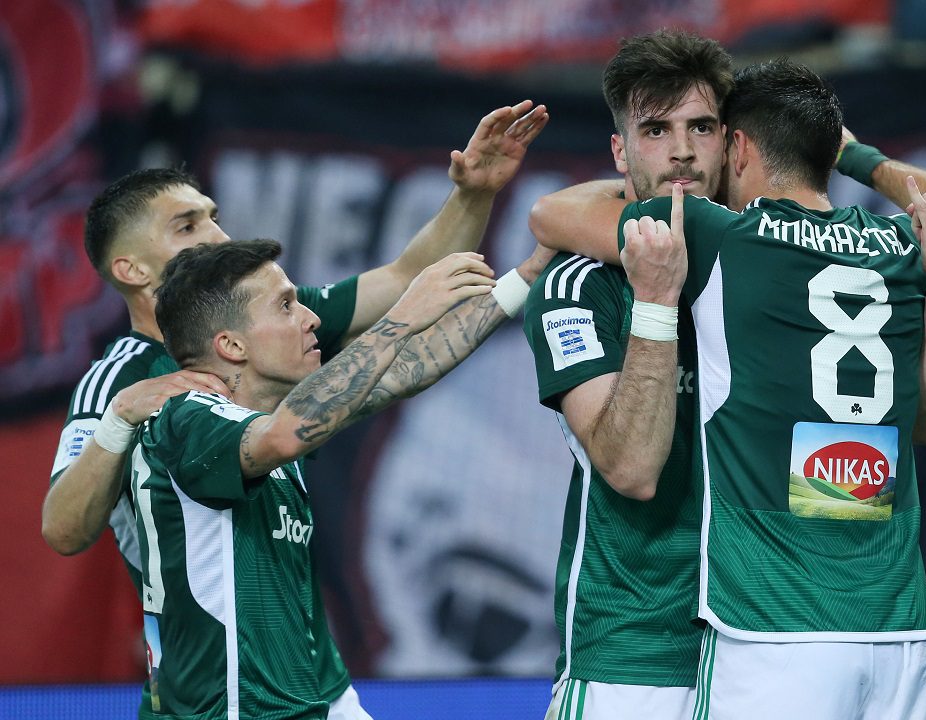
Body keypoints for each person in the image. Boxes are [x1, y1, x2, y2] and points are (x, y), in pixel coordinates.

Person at [42, 100, 546, 711]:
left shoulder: (269, 340)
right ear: (130, 268)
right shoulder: (136, 388)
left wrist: (487, 214)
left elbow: (402, 312)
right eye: (188, 226)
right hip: (218, 682)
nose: (217, 235)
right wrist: (120, 419)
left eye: (214, 217)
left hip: (311, 684)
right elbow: (63, 529)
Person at [609, 59, 926, 719]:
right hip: (904, 637)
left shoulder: (718, 236)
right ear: (827, 154)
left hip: (774, 633)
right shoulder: (899, 246)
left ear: (738, 148)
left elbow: (551, 215)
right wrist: (862, 157)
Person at [132, 235, 542, 719]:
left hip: (310, 699)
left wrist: (528, 275)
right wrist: (403, 315)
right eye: (286, 306)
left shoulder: (268, 420)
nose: (311, 319)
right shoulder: (187, 420)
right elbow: (287, 434)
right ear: (231, 345)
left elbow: (409, 369)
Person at [521, 30, 733, 720]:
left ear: (731, 143)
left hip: (763, 649)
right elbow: (633, 468)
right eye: (656, 130)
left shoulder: (769, 267)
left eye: (701, 127)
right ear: (620, 152)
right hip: (633, 659)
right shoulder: (578, 285)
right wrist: (657, 300)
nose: (681, 150)